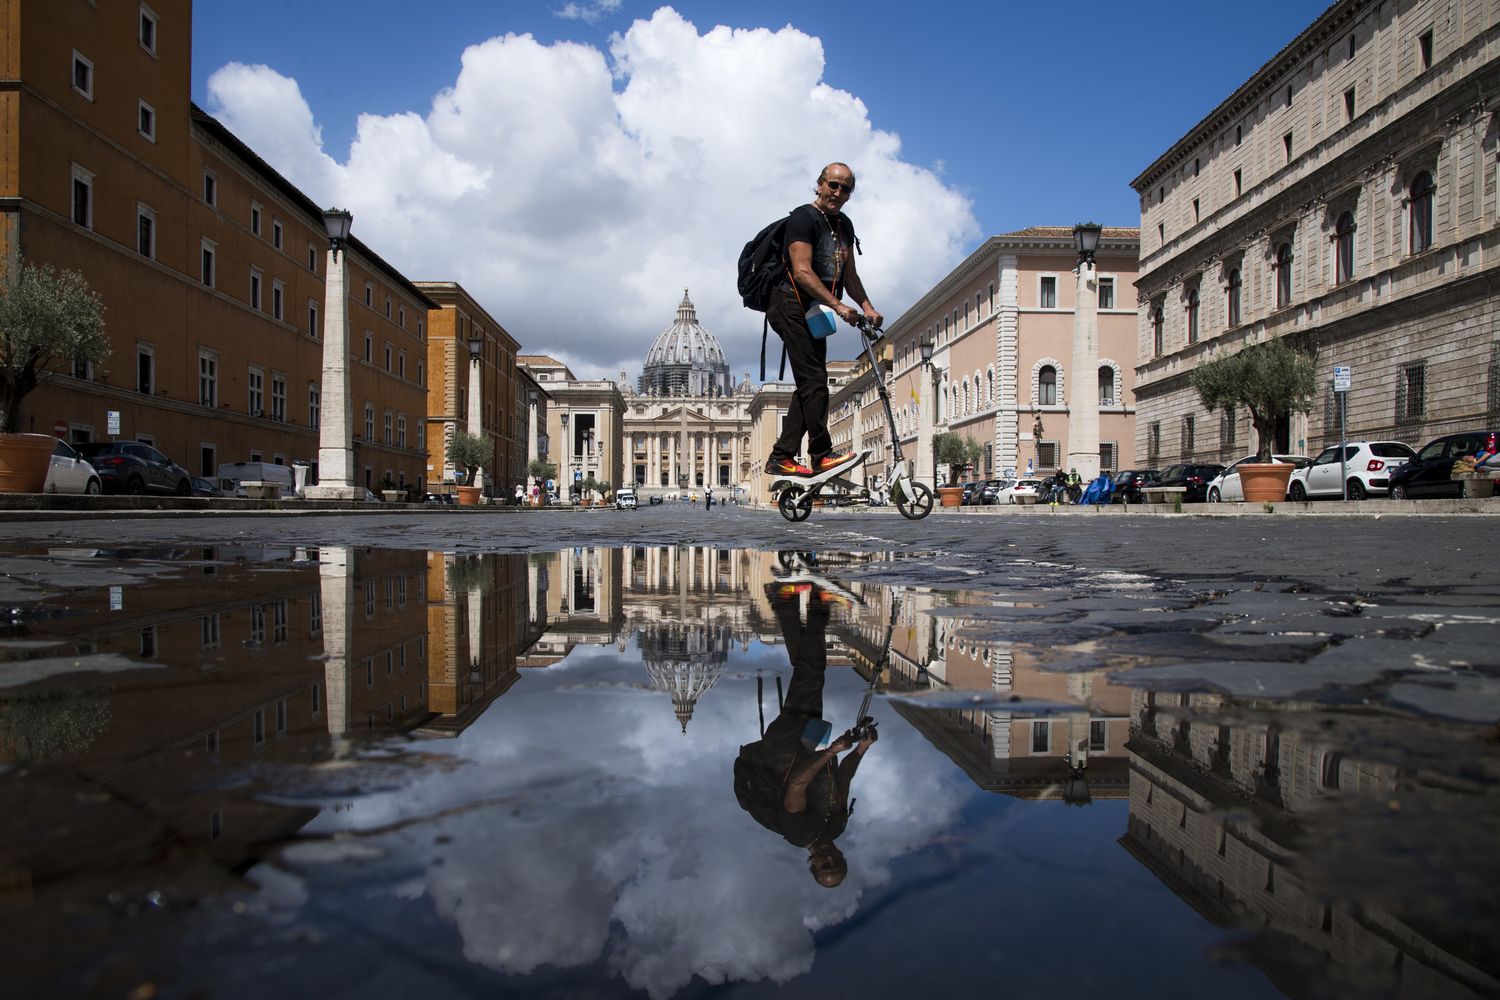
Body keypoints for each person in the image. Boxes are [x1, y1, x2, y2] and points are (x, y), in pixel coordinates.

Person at [734, 577, 878, 888]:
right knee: (807, 670)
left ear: (811, 864)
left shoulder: (799, 835)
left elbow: (798, 785)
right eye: (835, 864)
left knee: (812, 672)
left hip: (785, 751)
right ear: (842, 857)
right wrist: (861, 749)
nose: (828, 859)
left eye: (823, 866)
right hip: (811, 744)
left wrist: (833, 751)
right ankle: (784, 601)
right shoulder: (837, 826)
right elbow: (843, 781)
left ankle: (817, 603)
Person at [764, 162, 883, 479]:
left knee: (809, 382)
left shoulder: (844, 225)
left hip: (815, 309)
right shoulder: (803, 218)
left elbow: (850, 275)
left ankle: (782, 456)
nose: (838, 192)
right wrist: (840, 306)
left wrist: (867, 306)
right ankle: (820, 455)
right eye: (833, 185)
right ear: (819, 185)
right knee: (815, 380)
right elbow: (802, 271)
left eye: (845, 188)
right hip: (789, 302)